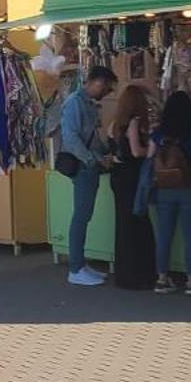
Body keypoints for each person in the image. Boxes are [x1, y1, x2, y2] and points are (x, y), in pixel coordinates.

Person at [57, 65, 116, 285]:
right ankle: (75, 268)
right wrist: (93, 159)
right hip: (82, 166)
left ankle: (80, 264)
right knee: (81, 216)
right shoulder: (74, 103)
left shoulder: (86, 104)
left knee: (84, 216)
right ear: (96, 83)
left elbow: (91, 137)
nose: (107, 93)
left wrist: (104, 153)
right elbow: (71, 139)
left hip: (88, 164)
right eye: (107, 88)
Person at [149, 89, 191, 295]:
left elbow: (149, 156)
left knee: (164, 236)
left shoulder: (158, 133)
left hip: (164, 187)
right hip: (189, 185)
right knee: (190, 236)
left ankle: (162, 279)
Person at [107, 82, 159, 290]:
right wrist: (153, 149)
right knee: (139, 224)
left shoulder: (114, 124)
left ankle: (125, 274)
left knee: (123, 225)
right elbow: (137, 151)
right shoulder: (135, 122)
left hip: (118, 176)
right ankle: (141, 274)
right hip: (132, 176)